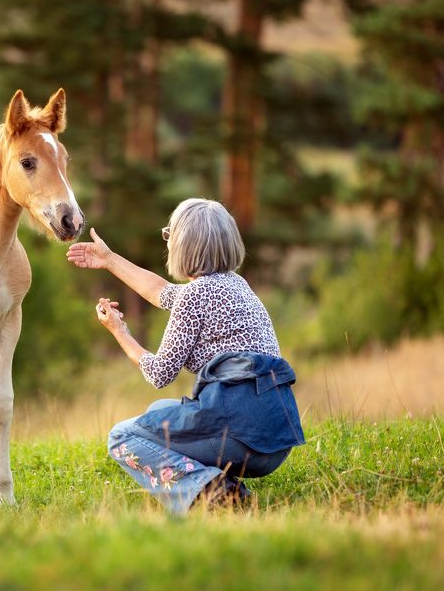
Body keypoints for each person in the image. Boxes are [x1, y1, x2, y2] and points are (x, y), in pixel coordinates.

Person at [66, 198, 304, 513]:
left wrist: (119, 332)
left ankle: (213, 493)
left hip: (241, 434)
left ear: (181, 245)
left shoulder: (195, 296)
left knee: (122, 437)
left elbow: (158, 374)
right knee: (159, 411)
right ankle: (221, 485)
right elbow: (159, 291)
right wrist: (109, 259)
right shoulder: (236, 285)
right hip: (276, 437)